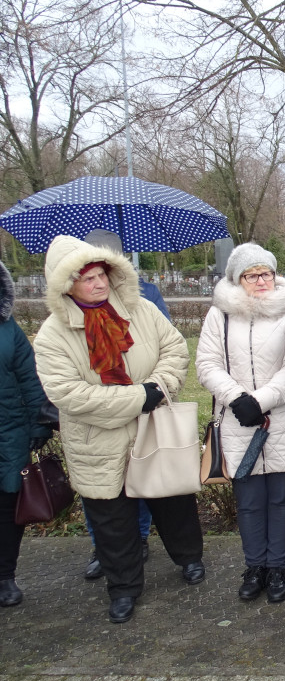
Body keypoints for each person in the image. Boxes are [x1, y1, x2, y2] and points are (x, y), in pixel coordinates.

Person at [33, 235, 203, 624]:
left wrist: (156, 389)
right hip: (98, 440)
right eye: (87, 278)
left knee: (173, 500)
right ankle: (124, 587)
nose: (99, 283)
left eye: (101, 274)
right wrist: (135, 399)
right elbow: (68, 394)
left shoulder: (139, 309)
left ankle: (190, 558)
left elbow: (174, 349)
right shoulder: (51, 336)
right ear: (66, 286)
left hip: (154, 424)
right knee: (113, 519)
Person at [196, 244, 285, 603]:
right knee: (247, 501)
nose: (261, 281)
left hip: (282, 420)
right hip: (237, 421)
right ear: (237, 278)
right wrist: (237, 399)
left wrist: (259, 401)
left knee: (280, 499)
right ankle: (254, 565)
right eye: (251, 275)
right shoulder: (221, 315)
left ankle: (277, 567)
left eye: (266, 273)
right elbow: (207, 363)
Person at [80, 230, 166, 581]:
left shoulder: (147, 294)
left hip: (142, 401)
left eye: (107, 267)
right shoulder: (75, 303)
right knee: (101, 483)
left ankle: (140, 538)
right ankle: (104, 548)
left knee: (140, 473)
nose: (101, 278)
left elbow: (165, 341)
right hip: (99, 409)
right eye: (93, 271)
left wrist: (150, 385)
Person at [0, 261, 53, 607]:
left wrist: (38, 425)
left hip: (9, 432)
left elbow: (29, 379)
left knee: (7, 506)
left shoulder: (9, 329)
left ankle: (5, 575)